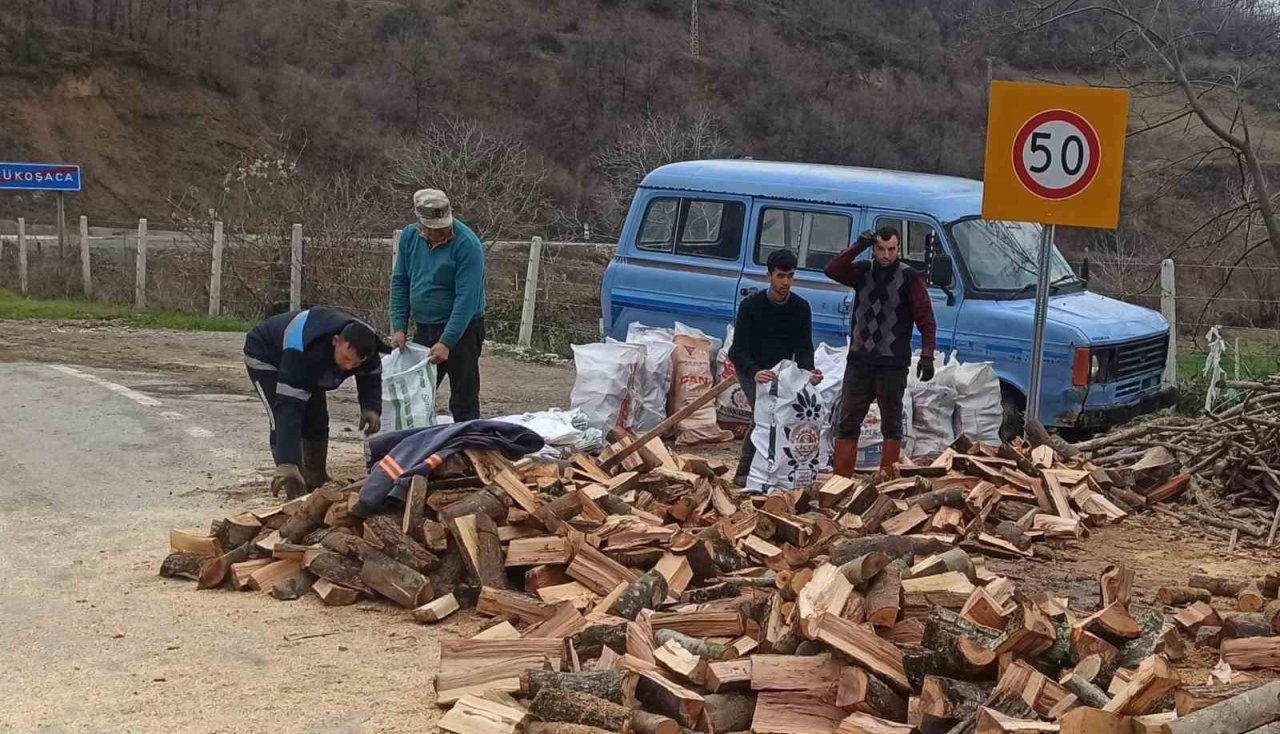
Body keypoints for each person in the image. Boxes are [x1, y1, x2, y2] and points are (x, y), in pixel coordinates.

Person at [824, 225, 937, 478]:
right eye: (881, 249)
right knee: (848, 422)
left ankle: (888, 481)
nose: (886, 255)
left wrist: (927, 354)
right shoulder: (863, 272)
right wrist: (858, 246)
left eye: (892, 250)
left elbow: (926, 319)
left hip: (892, 363)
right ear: (874, 249)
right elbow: (832, 269)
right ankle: (840, 482)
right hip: (859, 361)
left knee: (891, 424)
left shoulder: (910, 278)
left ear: (899, 249)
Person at [244, 307, 389, 499]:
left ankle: (315, 478)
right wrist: (287, 461)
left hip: (315, 362)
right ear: (335, 341)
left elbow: (370, 376)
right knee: (281, 417)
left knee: (317, 417)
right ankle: (291, 480)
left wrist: (371, 408)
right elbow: (288, 409)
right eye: (346, 359)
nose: (347, 367)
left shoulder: (366, 350)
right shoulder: (304, 351)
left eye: (355, 364)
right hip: (267, 355)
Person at [389, 189, 487, 422]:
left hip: (463, 329)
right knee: (416, 394)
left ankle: (468, 446)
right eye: (433, 229)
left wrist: (447, 342)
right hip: (425, 326)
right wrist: (399, 326)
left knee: (464, 396)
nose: (439, 233)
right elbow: (400, 281)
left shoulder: (468, 245)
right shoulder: (409, 238)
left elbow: (467, 299)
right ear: (420, 223)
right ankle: (416, 446)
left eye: (442, 227)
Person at [728, 249, 822, 487]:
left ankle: (781, 469)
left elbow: (803, 347)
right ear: (769, 276)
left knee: (787, 417)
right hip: (754, 371)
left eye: (790, 276)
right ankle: (745, 471)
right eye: (781, 276)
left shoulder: (800, 308)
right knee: (764, 417)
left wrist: (807, 373)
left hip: (783, 373)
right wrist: (754, 372)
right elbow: (737, 350)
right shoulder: (751, 306)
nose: (786, 282)